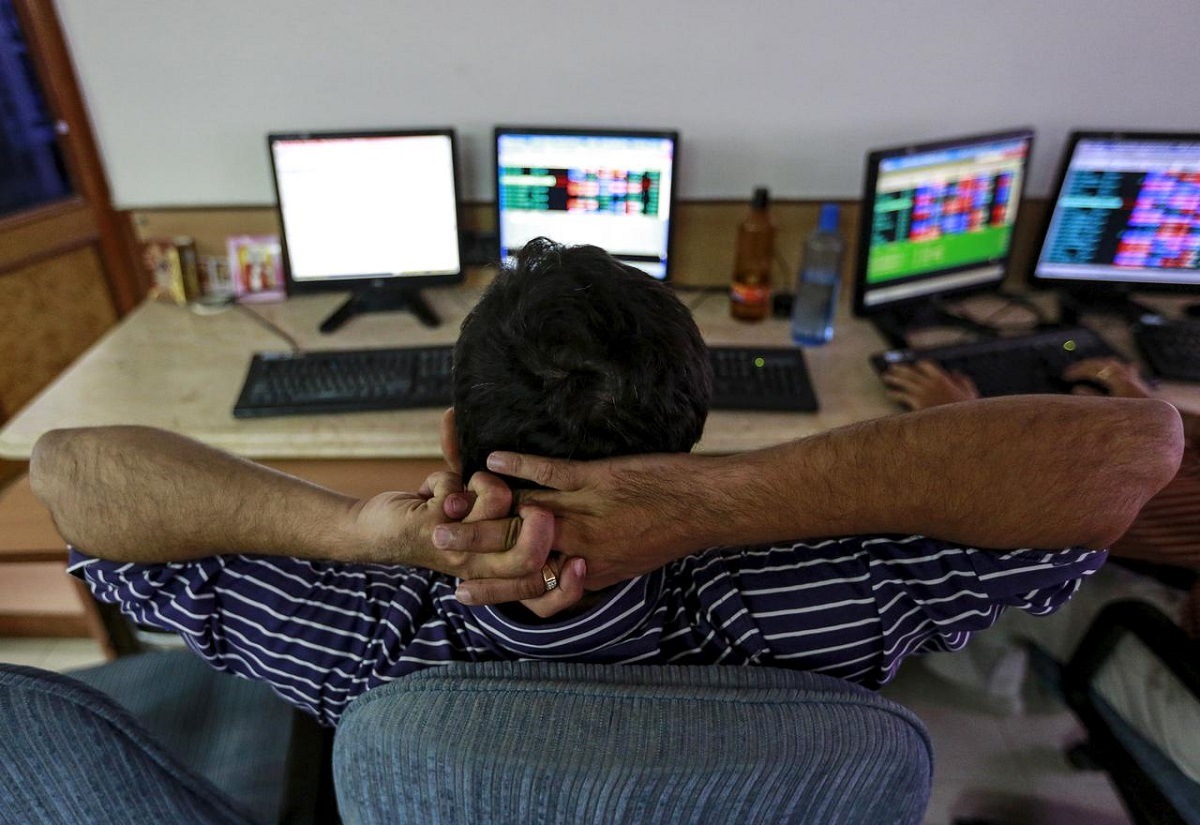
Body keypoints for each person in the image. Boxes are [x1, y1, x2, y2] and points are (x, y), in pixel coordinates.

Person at [31, 240, 1182, 727]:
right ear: (696, 432)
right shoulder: (843, 595)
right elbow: (1138, 450)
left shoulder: (345, 633)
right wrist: (721, 501)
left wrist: (349, 531)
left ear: (450, 435)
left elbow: (66, 470)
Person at [882, 355, 1200, 780]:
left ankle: (987, 688)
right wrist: (1154, 412)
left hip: (1187, 693)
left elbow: (1067, 498)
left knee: (1010, 555)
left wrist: (966, 422)